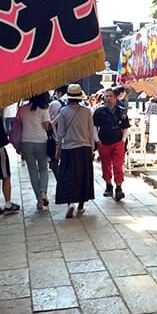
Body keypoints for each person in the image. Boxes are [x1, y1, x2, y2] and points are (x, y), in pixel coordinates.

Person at [55, 84, 95, 218]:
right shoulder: (87, 111)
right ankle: (81, 206)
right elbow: (90, 131)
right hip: (84, 148)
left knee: (67, 177)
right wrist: (92, 148)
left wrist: (57, 149)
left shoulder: (63, 111)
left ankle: (70, 203)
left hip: (68, 149)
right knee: (83, 177)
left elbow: (60, 133)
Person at [93, 88, 130, 201]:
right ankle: (108, 185)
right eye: (106, 96)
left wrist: (123, 141)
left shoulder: (121, 111)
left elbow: (125, 128)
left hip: (118, 142)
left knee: (118, 165)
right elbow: (94, 126)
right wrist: (97, 140)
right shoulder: (99, 111)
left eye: (110, 96)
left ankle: (119, 187)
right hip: (104, 142)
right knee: (105, 165)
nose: (108, 98)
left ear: (115, 97)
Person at [17, 92, 51, 210]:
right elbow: (47, 126)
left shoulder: (22, 109)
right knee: (43, 169)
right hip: (41, 141)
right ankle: (43, 192)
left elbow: (18, 125)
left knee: (32, 171)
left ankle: (39, 200)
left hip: (26, 142)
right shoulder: (44, 109)